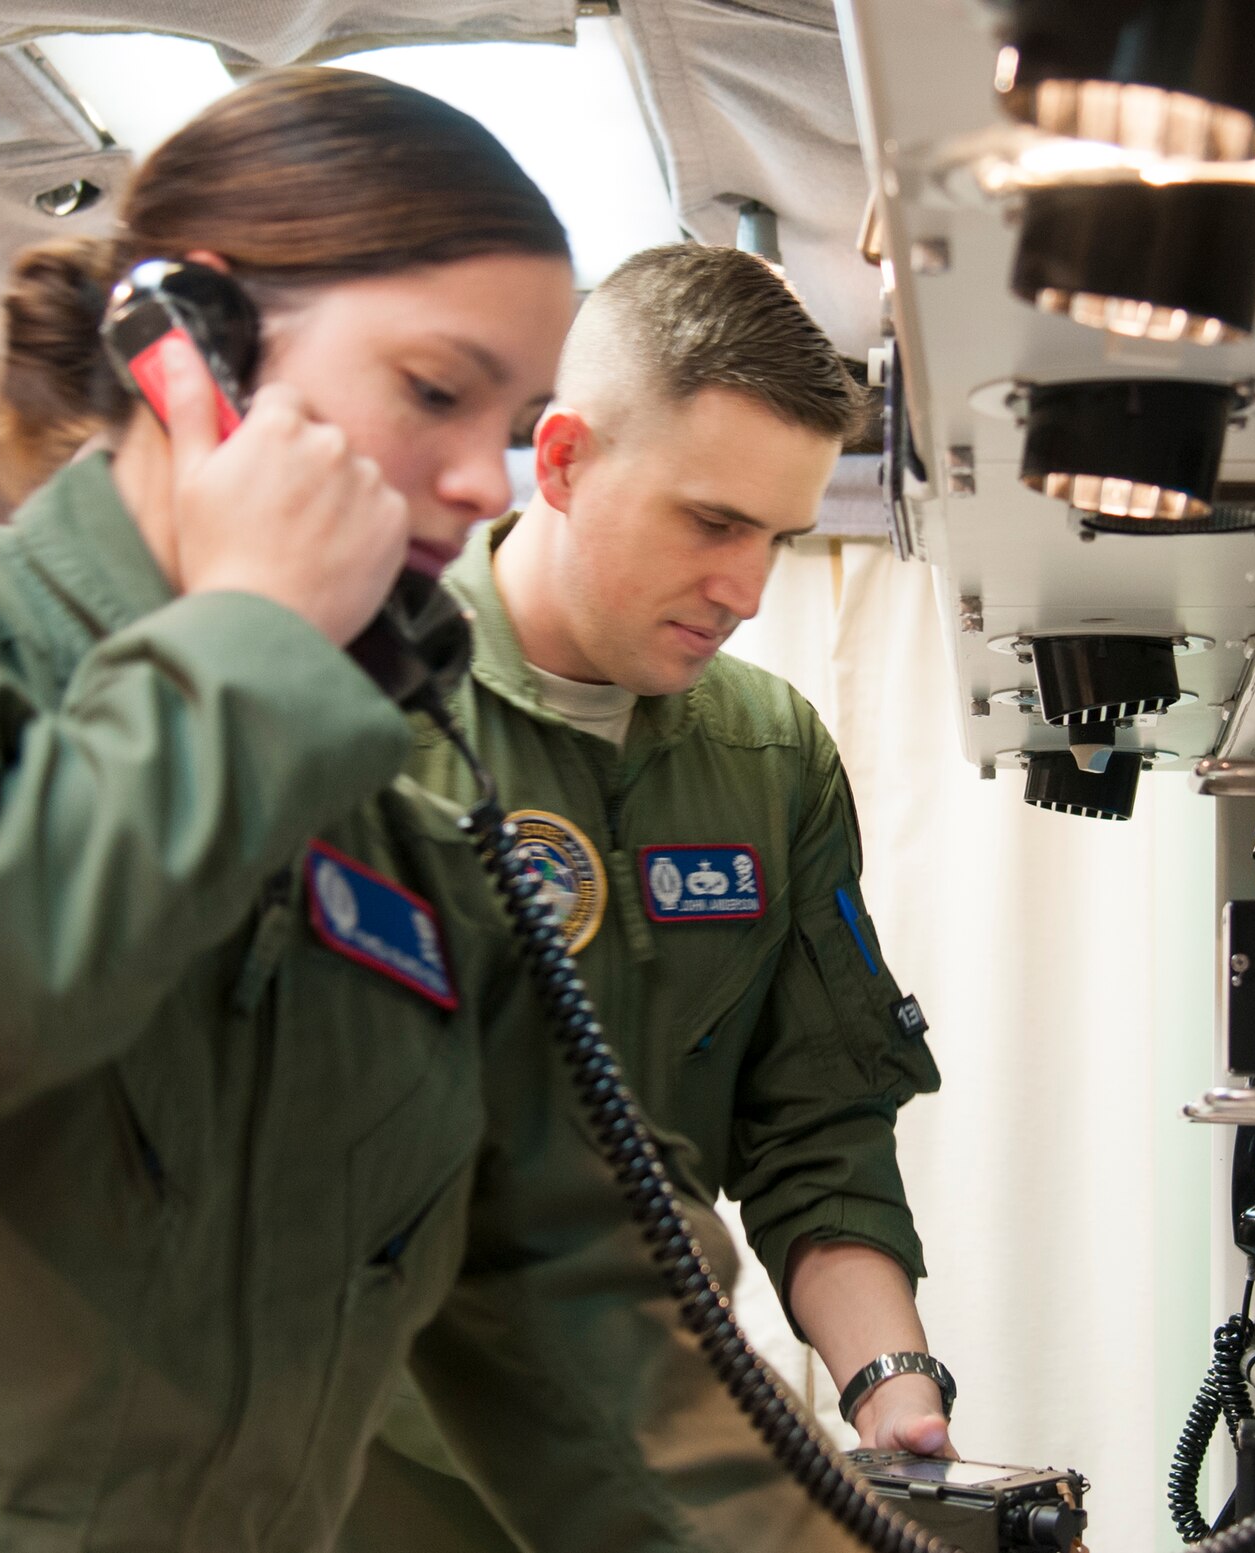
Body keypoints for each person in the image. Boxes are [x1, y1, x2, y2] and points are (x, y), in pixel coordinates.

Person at [0, 73, 866, 1553]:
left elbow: (607, 1344)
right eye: (433, 391)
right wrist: (267, 624)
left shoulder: (409, 858)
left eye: (511, 417)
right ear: (193, 346)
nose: (482, 478)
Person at [340, 244, 948, 1553]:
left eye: (780, 537)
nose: (748, 588)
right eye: (712, 521)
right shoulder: (360, 714)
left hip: (659, 1467)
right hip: (383, 1487)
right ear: (560, 462)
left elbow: (818, 1129)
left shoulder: (769, 755)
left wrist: (894, 1390)